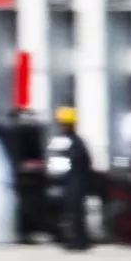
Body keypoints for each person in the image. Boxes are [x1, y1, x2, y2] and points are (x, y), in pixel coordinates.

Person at [47, 104, 96, 250]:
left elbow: (84, 162)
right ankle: (73, 239)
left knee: (76, 212)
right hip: (68, 181)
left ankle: (79, 241)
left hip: (75, 181)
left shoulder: (75, 142)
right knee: (69, 212)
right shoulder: (67, 141)